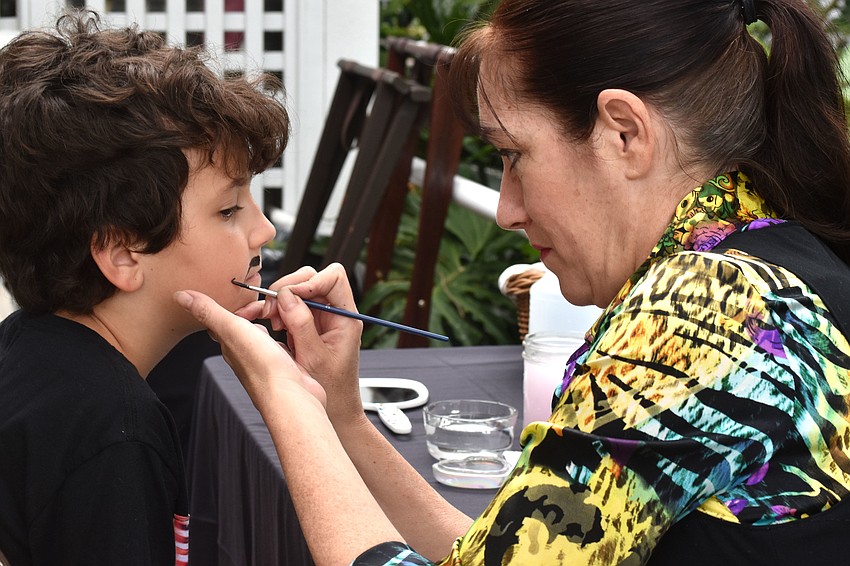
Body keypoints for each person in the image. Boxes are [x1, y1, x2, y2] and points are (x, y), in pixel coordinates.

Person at [177, 0, 850, 564]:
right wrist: (342, 417)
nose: (506, 210)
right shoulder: (774, 264)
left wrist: (285, 401)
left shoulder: (707, 310)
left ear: (624, 133)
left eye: (513, 156)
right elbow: (502, 551)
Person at [0, 10, 288, 565]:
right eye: (229, 209)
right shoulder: (119, 433)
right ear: (123, 254)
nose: (264, 230)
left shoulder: (24, 343)